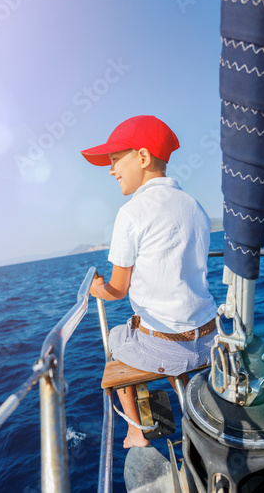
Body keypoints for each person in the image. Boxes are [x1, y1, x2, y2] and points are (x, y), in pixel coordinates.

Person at [81, 115, 217, 449]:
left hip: (170, 346)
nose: (111, 171)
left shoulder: (131, 212)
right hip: (211, 336)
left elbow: (117, 290)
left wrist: (95, 288)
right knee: (165, 329)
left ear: (142, 158)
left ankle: (137, 432)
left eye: (115, 161)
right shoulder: (194, 207)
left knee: (118, 338)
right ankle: (192, 402)